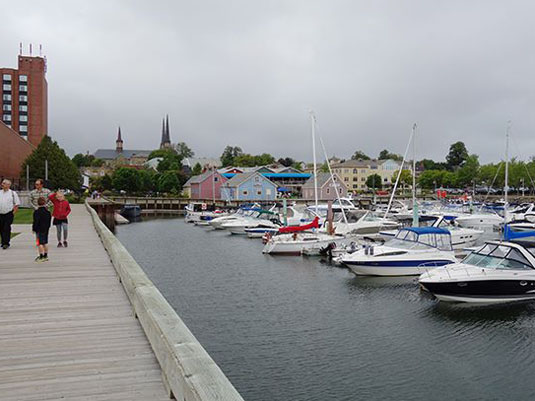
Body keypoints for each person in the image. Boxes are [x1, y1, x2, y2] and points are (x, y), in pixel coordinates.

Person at [0, 179, 20, 250]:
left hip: (8, 213)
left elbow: (17, 204)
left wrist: (13, 213)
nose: (2, 184)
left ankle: (6, 243)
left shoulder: (12, 193)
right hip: (0, 214)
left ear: (8, 185)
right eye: (2, 183)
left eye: (4, 183)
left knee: (6, 228)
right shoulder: (0, 192)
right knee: (1, 228)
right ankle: (3, 242)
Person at [32, 197, 51, 262]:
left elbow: (35, 221)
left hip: (39, 229)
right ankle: (46, 255)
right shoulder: (48, 212)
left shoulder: (36, 212)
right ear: (45, 203)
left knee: (39, 243)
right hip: (46, 229)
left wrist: (34, 228)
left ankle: (41, 256)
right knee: (45, 242)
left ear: (37, 203)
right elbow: (49, 221)